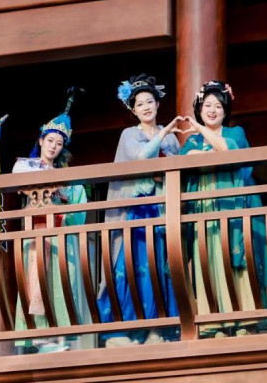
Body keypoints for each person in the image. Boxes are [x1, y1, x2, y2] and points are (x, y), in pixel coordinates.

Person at [181, 80, 267, 337]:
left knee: (237, 257)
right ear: (199, 108)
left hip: (234, 208)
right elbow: (186, 160)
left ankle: (245, 321)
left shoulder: (235, 133)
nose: (212, 110)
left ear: (225, 111)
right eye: (207, 105)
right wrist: (209, 151)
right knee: (208, 260)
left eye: (218, 106)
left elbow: (228, 151)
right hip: (204, 210)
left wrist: (200, 130)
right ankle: (214, 324)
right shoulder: (192, 141)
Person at [96, 74, 182, 347]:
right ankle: (123, 330)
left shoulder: (171, 140)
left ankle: (157, 327)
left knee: (160, 266)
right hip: (136, 209)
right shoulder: (130, 135)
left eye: (149, 101)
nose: (145, 107)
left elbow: (177, 170)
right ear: (133, 110)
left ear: (158, 104)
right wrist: (163, 134)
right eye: (140, 104)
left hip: (162, 209)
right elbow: (140, 158)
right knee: (131, 265)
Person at [12, 89, 88, 352]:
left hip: (59, 236)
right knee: (37, 280)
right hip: (36, 233)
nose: (53, 146)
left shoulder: (67, 179)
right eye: (50, 140)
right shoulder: (27, 166)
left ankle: (58, 338)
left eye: (59, 143)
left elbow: (79, 210)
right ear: (41, 139)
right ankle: (39, 338)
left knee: (61, 281)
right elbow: (17, 172)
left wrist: (66, 212)